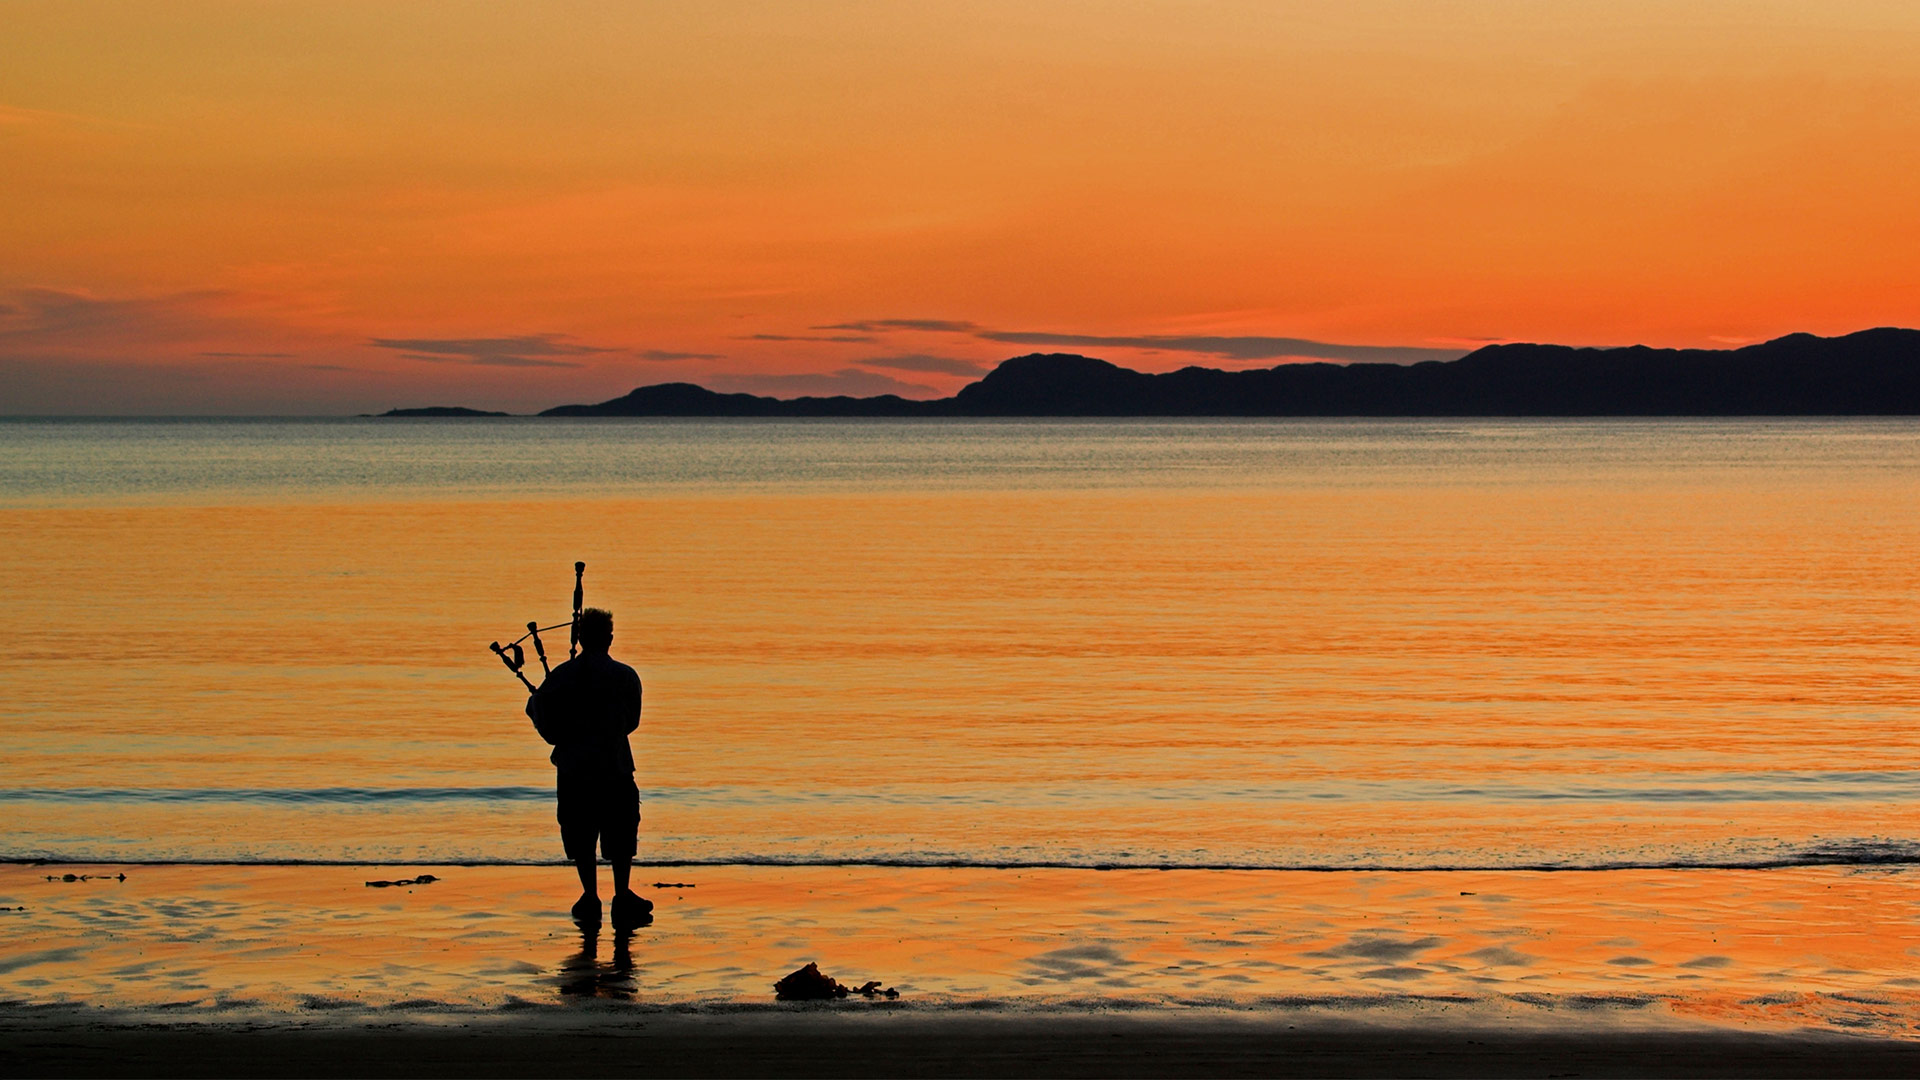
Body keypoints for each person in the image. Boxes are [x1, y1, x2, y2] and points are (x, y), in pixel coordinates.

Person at [526, 607, 652, 928]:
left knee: (581, 834)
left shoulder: (560, 677)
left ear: (580, 638)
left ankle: (589, 896)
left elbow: (545, 723)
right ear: (609, 638)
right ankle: (621, 894)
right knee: (621, 834)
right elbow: (631, 722)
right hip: (615, 768)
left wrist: (540, 707)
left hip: (574, 771)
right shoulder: (626, 676)